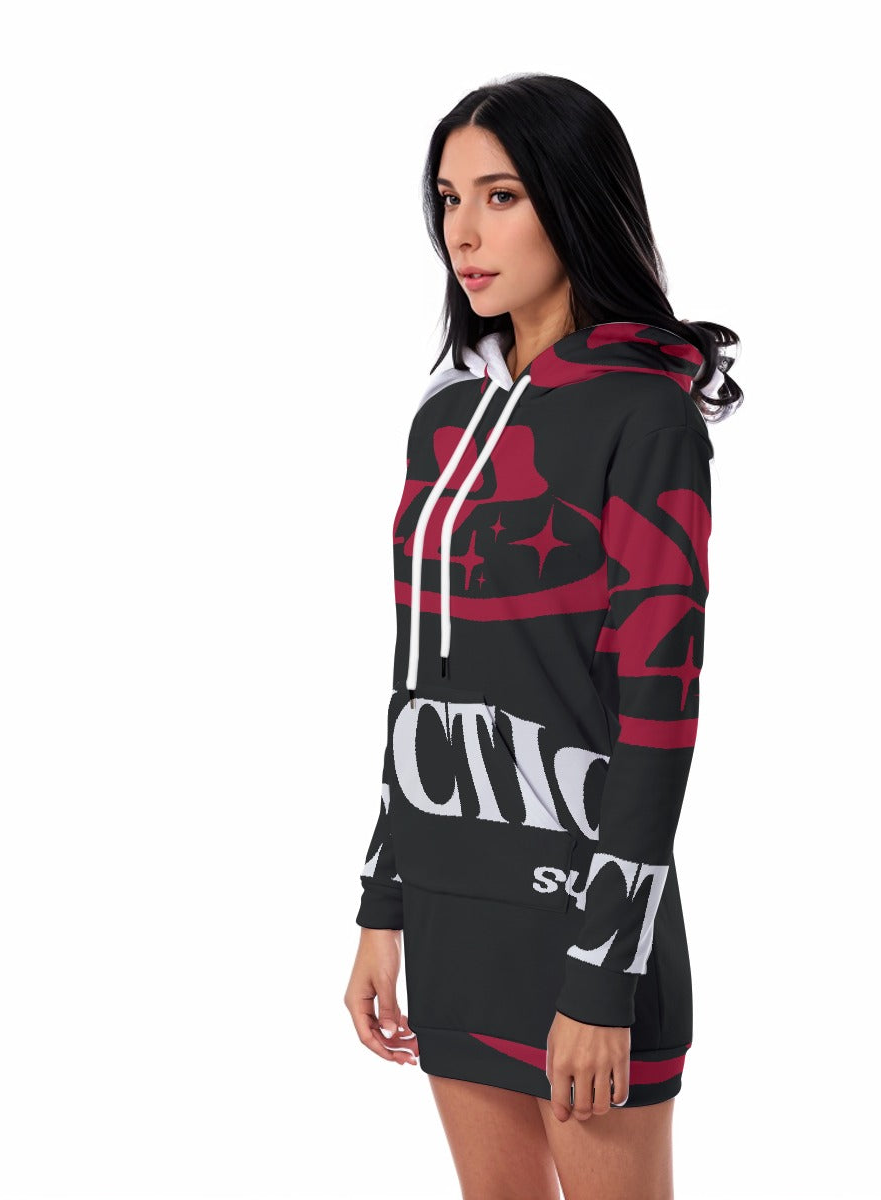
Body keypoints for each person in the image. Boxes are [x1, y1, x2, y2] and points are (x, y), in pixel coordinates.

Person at [344, 72, 743, 1200]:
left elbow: (659, 707)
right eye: (448, 199)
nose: (463, 234)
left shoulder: (646, 416)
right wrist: (383, 905)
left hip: (585, 912)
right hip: (452, 904)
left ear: (573, 199)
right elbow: (417, 682)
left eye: (501, 195)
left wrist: (605, 973)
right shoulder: (442, 422)